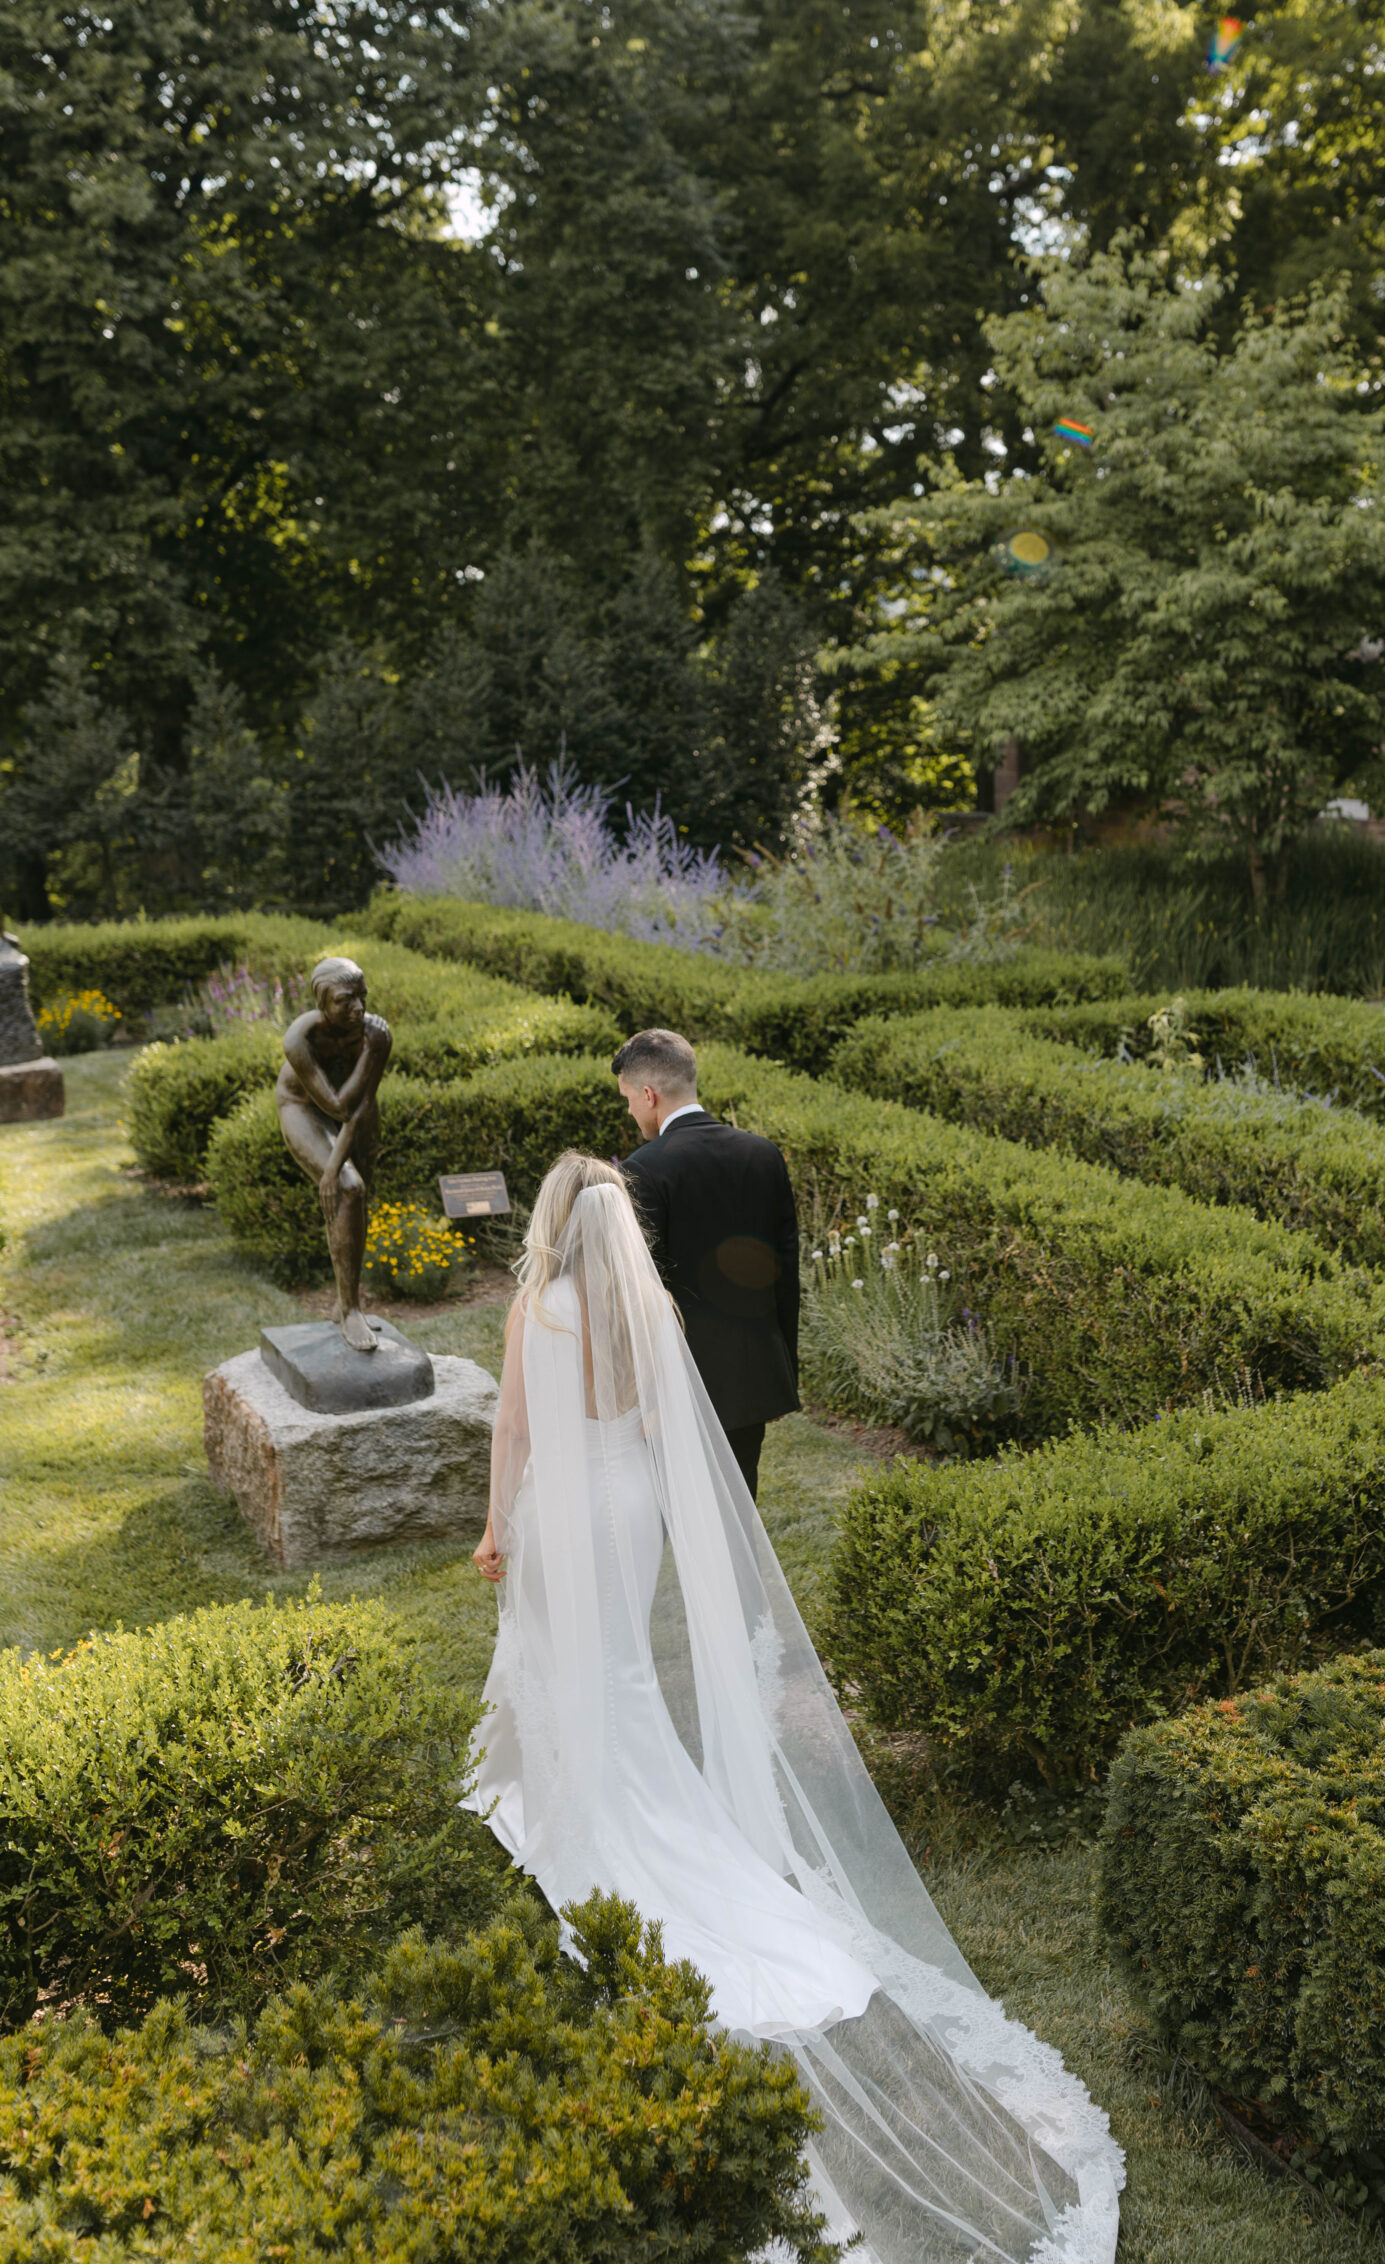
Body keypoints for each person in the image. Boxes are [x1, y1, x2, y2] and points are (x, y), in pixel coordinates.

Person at [467, 1153, 1121, 2264]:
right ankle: (625, 1795)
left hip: (565, 1509)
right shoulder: (645, 1302)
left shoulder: (540, 1303)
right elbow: (676, 1436)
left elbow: (518, 1432)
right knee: (621, 1664)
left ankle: (580, 1805)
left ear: (551, 1221)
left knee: (565, 1659)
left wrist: (494, 1525)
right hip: (629, 1510)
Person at [612, 1026, 797, 1503]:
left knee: (687, 1530)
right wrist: (782, 1374)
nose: (630, 1111)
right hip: (752, 1379)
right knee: (738, 1514)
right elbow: (786, 1275)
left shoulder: (642, 1169)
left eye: (628, 1099)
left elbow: (645, 1292)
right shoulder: (763, 1154)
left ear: (649, 1095)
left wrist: (641, 1396)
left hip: (680, 1387)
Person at [275, 956, 391, 1350]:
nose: (358, 1008)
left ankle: (346, 1307)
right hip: (304, 1109)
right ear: (323, 1004)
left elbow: (358, 1109)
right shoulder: (300, 1040)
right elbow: (337, 1106)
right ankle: (351, 1308)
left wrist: (374, 1051)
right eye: (345, 1000)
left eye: (362, 997)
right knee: (348, 1188)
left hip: (357, 1109)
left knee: (355, 1198)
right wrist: (332, 1171)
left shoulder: (376, 1034)